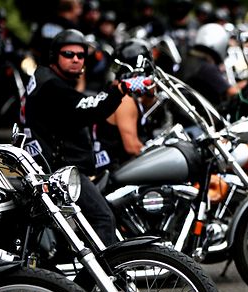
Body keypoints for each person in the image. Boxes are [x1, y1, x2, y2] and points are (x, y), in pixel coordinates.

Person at [20, 29, 151, 246]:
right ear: (55, 56)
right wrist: (122, 88)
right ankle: (100, 278)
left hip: (43, 165)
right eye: (68, 54)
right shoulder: (52, 85)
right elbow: (90, 108)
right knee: (103, 217)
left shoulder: (44, 77)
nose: (75, 59)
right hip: (57, 169)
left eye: (80, 56)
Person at [92, 38, 155, 173]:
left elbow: (146, 105)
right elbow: (132, 147)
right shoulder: (125, 100)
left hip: (107, 166)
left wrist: (150, 94)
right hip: (113, 171)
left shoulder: (113, 90)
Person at [177, 23, 244, 106]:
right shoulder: (206, 68)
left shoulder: (189, 58)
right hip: (198, 115)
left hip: (183, 109)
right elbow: (231, 91)